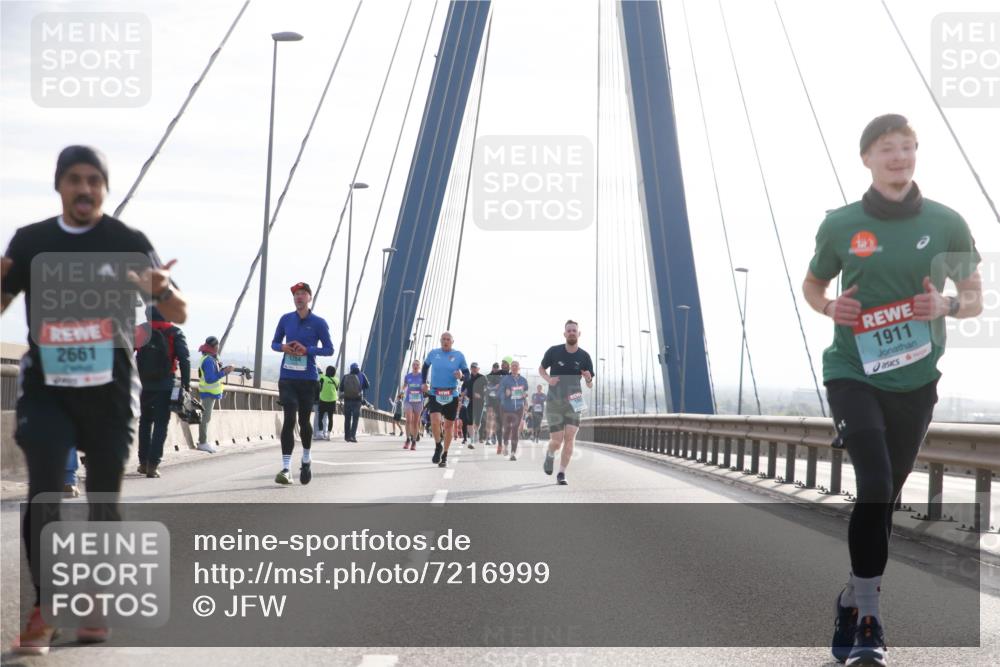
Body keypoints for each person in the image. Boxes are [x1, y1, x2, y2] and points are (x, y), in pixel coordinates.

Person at [802, 114, 982, 667]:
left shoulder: (947, 222)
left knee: (885, 500)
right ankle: (870, 622)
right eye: (887, 148)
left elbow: (974, 295)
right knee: (875, 483)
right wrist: (830, 306)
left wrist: (948, 305)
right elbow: (813, 283)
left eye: (908, 147)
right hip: (853, 371)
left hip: (916, 380)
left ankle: (850, 598)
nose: (900, 156)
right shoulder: (841, 225)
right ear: (867, 158)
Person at [2, 145, 187, 654]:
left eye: (94, 181)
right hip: (48, 392)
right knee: (44, 494)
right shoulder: (32, 241)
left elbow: (180, 310)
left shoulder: (126, 242)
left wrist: (162, 289)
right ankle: (45, 607)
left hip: (109, 393)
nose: (85, 190)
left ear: (104, 188)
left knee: (104, 499)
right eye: (75, 180)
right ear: (58, 184)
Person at [271, 282, 334, 485]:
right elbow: (274, 343)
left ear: (309, 297)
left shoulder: (319, 323)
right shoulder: (285, 319)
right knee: (289, 419)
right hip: (287, 377)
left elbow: (329, 349)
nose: (298, 297)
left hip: (308, 380)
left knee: (304, 422)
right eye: (296, 294)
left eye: (302, 294)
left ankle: (306, 459)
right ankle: (286, 468)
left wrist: (308, 350)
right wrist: (284, 347)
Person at [135, 306, 190, 477]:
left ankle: (143, 462)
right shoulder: (174, 332)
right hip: (165, 384)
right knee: (161, 424)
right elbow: (185, 359)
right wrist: (185, 386)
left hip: (143, 384)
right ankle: (153, 465)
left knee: (144, 422)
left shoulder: (140, 331)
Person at [539, 320, 595, 486]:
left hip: (575, 399)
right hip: (554, 400)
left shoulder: (585, 357)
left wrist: (588, 378)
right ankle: (550, 454)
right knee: (557, 440)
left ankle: (561, 473)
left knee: (570, 437)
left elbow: (590, 384)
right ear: (565, 334)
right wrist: (548, 379)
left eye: (574, 330)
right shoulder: (554, 351)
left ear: (579, 334)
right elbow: (541, 369)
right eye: (569, 330)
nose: (571, 332)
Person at [421, 331, 469, 468]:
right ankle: (438, 446)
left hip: (451, 394)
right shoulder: (433, 353)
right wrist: (424, 382)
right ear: (440, 341)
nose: (445, 341)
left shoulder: (459, 356)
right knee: (435, 421)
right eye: (443, 339)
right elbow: (425, 367)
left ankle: (445, 455)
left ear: (452, 342)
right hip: (435, 392)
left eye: (448, 339)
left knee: (448, 427)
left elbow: (467, 374)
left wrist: (461, 376)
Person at [197, 336, 233, 453]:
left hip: (208, 393)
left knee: (206, 418)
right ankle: (202, 442)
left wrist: (223, 368)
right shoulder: (208, 360)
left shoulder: (209, 358)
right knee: (205, 418)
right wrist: (224, 372)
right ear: (215, 346)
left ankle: (204, 441)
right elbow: (210, 379)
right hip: (208, 392)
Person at [499, 360, 530, 460]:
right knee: (507, 429)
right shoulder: (505, 379)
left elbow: (525, 392)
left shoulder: (523, 380)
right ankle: (505, 446)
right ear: (510, 368)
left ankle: (513, 453)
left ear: (519, 368)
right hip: (507, 408)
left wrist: (525, 398)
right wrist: (505, 394)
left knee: (515, 429)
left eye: (516, 366)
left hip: (518, 408)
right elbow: (500, 393)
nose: (514, 367)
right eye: (512, 366)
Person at [341, 362, 369, 443]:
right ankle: (353, 436)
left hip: (347, 399)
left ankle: (347, 437)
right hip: (357, 400)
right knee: (355, 419)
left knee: (347, 419)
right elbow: (367, 386)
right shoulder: (362, 375)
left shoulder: (346, 376)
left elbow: (341, 388)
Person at [460, 362, 487, 448]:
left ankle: (476, 433)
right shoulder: (467, 378)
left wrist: (481, 394)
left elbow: (487, 389)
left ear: (478, 369)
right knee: (469, 420)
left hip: (480, 402)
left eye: (475, 367)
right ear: (470, 368)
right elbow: (463, 388)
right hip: (470, 401)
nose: (474, 369)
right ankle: (472, 440)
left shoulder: (483, 378)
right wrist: (463, 394)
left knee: (477, 421)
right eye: (472, 367)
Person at [401, 359, 424, 450]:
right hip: (409, 400)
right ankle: (407, 439)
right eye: (414, 364)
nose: (415, 366)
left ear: (419, 367)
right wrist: (402, 391)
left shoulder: (422, 376)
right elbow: (405, 385)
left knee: (415, 422)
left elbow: (426, 386)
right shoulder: (408, 376)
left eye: (417, 365)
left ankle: (414, 441)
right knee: (408, 420)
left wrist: (425, 388)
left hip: (418, 401)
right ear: (412, 366)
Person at [484, 361, 505, 445]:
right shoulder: (488, 377)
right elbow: (485, 387)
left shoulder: (502, 377)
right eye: (494, 367)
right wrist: (492, 387)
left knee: (498, 419)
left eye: (497, 367)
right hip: (490, 399)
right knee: (489, 418)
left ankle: (494, 435)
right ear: (492, 368)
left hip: (499, 400)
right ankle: (488, 438)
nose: (495, 369)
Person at [316, 365, 339, 440]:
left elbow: (319, 374)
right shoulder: (336, 380)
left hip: (323, 400)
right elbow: (337, 388)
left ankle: (320, 433)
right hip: (332, 401)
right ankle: (328, 434)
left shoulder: (323, 378)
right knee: (330, 418)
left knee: (320, 417)